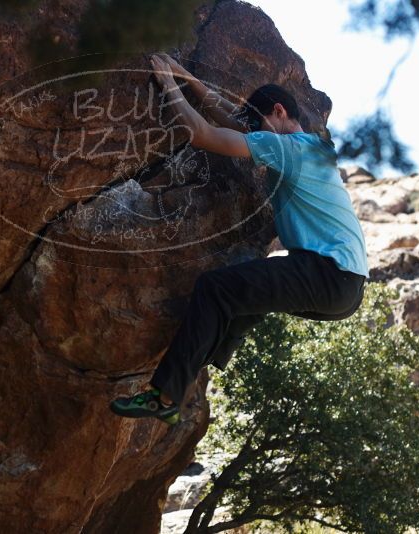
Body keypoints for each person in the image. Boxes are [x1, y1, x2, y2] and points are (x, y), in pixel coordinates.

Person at [109, 53, 369, 425]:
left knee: (215, 288)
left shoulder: (289, 149)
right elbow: (234, 123)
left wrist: (168, 84)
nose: (257, 132)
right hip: (346, 291)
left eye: (263, 122)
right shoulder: (313, 148)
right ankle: (213, 356)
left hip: (327, 274)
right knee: (247, 290)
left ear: (279, 111)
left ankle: (163, 397)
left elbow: (205, 135)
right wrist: (190, 80)